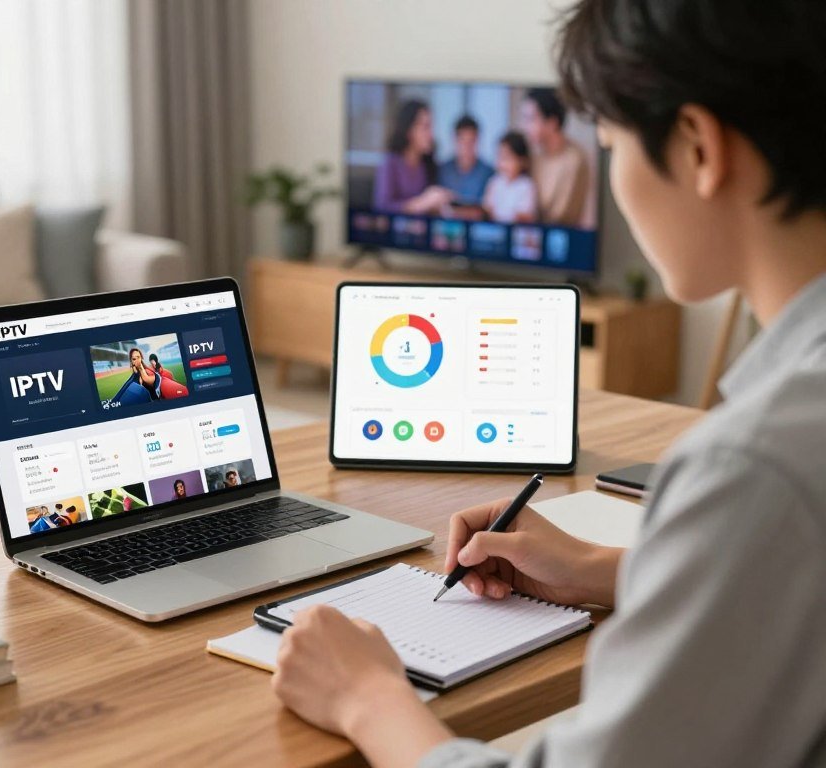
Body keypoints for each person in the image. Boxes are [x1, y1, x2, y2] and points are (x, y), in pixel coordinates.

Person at [271, 2, 826, 766]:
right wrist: (602, 570)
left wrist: (365, 697)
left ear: (699, 147)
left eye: (610, 145)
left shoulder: (756, 465)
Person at [521, 87, 589, 227]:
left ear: (552, 123)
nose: (524, 127)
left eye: (531, 119)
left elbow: (562, 218)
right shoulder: (534, 155)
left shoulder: (574, 160)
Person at [373, 99, 453, 215]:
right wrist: (423, 202)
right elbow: (382, 207)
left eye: (431, 127)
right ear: (409, 130)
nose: (431, 134)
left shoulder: (428, 163)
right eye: (426, 127)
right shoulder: (390, 163)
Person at [438, 115, 495, 207]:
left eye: (471, 141)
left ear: (478, 140)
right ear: (455, 140)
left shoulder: (488, 173)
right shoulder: (443, 171)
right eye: (463, 141)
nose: (467, 147)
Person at [483, 132, 538, 223]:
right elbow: (487, 209)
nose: (502, 164)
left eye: (507, 158)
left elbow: (525, 216)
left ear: (522, 161)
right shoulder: (494, 182)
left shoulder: (526, 186)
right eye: (500, 157)